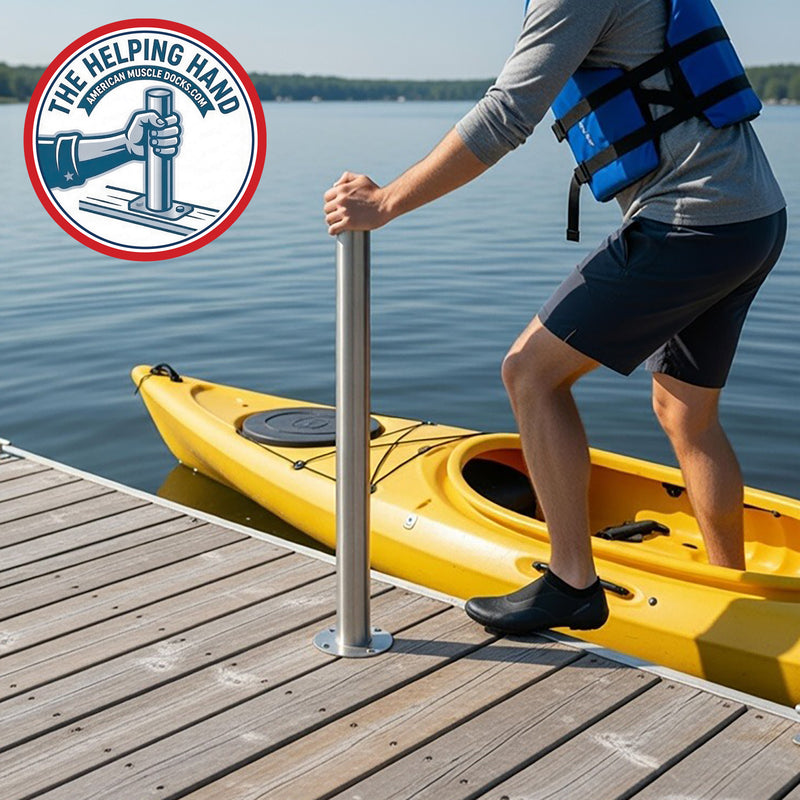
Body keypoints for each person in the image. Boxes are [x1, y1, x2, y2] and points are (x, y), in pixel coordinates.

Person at [323, 0, 786, 635]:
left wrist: (386, 202)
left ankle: (572, 582)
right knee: (685, 412)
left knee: (530, 373)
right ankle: (727, 589)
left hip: (692, 224)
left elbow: (508, 115)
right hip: (753, 217)